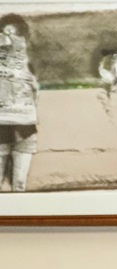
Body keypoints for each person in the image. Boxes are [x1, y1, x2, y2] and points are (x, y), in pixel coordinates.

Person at [0, 14, 37, 192]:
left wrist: (34, 86)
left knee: (20, 185)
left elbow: (35, 94)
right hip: (2, 124)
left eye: (15, 34)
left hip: (25, 125)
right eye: (5, 33)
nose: (9, 38)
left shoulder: (28, 63)